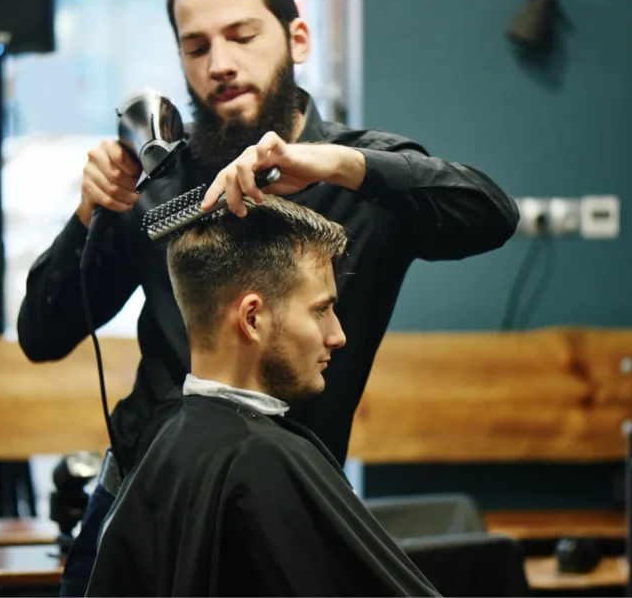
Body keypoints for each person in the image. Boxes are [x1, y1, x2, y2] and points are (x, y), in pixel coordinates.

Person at [17, 0, 519, 594]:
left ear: (297, 38)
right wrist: (88, 214)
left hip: (281, 512)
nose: (220, 64)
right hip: (144, 507)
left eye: (242, 36)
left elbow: (491, 215)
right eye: (196, 48)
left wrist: (341, 166)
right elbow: (41, 334)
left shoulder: (360, 175)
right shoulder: (158, 182)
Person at [85, 195, 440, 597]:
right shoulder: (264, 459)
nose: (337, 335)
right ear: (252, 318)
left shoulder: (163, 435)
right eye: (320, 310)